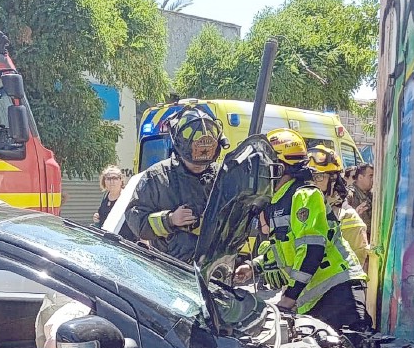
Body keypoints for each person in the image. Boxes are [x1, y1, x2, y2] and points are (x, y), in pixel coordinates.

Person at [235, 132, 371, 331]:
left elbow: (311, 249)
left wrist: (289, 298)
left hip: (339, 292)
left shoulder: (305, 194)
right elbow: (284, 249)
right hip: (316, 297)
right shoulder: (278, 199)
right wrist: (253, 266)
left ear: (279, 167)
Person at [125, 105, 228, 262]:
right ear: (180, 149)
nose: (199, 167)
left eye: (204, 165)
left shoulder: (222, 176)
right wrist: (170, 219)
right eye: (193, 163)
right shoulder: (157, 177)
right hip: (169, 271)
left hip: (213, 269)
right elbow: (136, 220)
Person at [348, 162, 374, 233]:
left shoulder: (371, 195)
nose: (373, 179)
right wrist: (355, 215)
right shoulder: (350, 195)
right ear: (360, 177)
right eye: (370, 176)